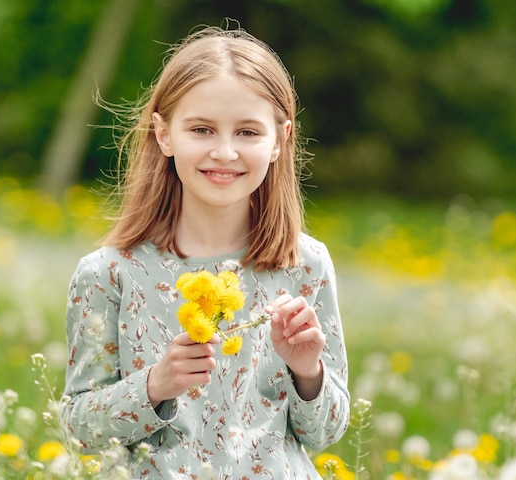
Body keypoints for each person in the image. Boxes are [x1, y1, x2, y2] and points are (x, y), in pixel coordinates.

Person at [61, 24, 350, 479]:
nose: (224, 151)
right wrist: (156, 385)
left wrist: (308, 371)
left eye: (248, 132)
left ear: (280, 140)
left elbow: (326, 432)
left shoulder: (304, 264)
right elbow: (78, 429)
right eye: (201, 129)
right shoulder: (110, 273)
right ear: (163, 134)